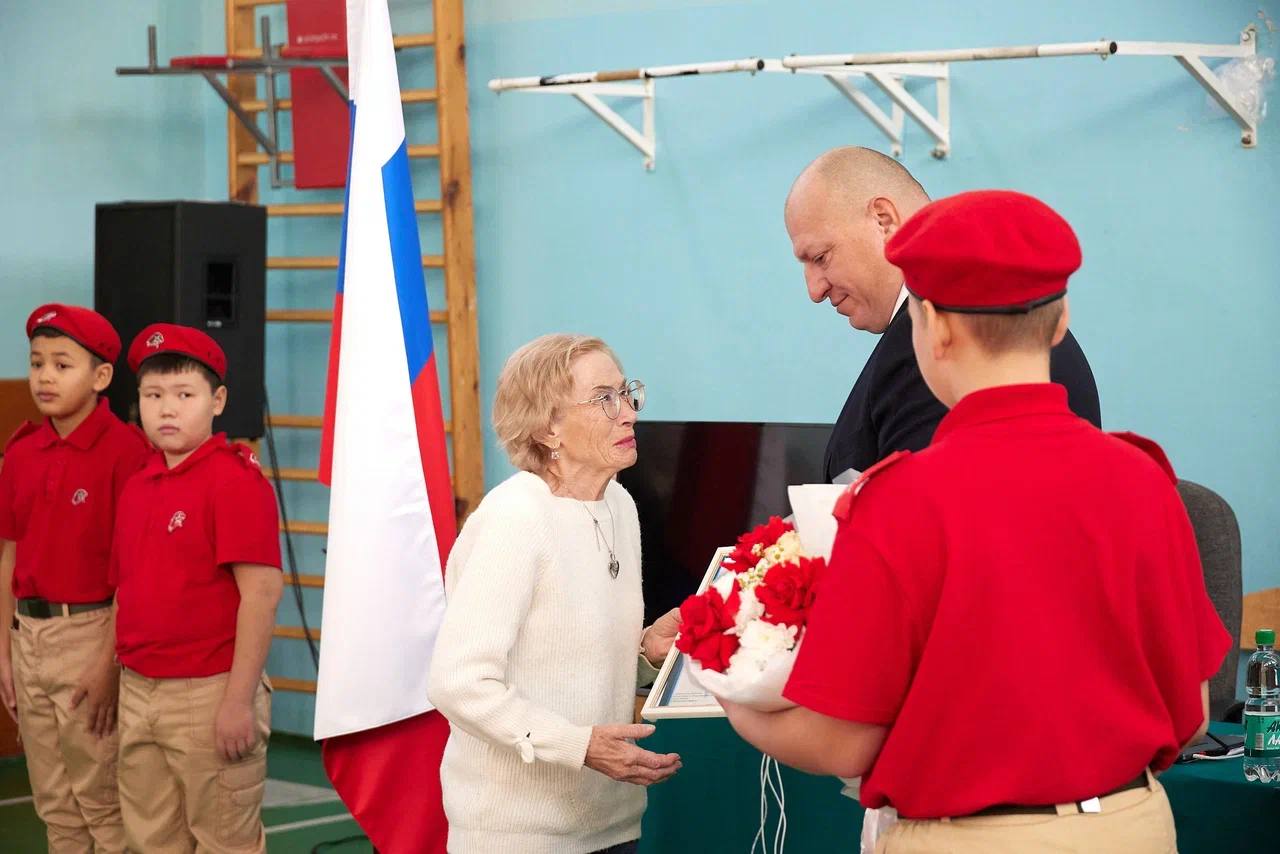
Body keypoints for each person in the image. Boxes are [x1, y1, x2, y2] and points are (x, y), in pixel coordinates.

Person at [722, 191, 1229, 852]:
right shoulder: (1144, 478)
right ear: (1059, 320)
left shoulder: (896, 502)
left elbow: (845, 739)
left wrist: (735, 702)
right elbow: (1190, 714)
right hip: (1133, 826)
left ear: (930, 327)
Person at [429, 334, 683, 854]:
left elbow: (563, 659)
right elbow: (458, 683)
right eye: (604, 399)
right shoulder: (515, 518)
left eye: (628, 392)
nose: (629, 413)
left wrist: (643, 652)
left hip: (610, 823)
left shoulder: (620, 505)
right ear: (548, 428)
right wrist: (580, 746)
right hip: (517, 835)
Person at [784, 146, 1102, 480]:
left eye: (820, 257)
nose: (814, 290)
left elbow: (922, 515)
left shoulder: (937, 342)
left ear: (884, 220)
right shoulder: (1007, 318)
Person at [111, 323, 283, 853]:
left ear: (218, 401)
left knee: (222, 841)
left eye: (184, 395)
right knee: (151, 840)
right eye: (153, 395)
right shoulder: (139, 482)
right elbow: (127, 589)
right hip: (139, 688)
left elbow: (260, 595)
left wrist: (236, 701)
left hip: (208, 691)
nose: (167, 409)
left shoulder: (234, 483)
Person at [0, 304, 149, 852]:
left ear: (101, 376)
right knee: (55, 805)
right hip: (28, 638)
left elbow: (132, 574)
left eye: (62, 365)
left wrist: (108, 661)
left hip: (90, 634)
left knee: (102, 801)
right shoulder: (20, 452)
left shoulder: (126, 452)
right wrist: (4, 650)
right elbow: (9, 558)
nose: (44, 376)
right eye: (36, 363)